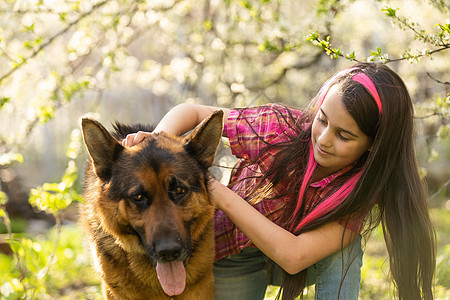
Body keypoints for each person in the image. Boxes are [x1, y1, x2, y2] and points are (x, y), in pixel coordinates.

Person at [122, 63, 436, 300]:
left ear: (373, 145)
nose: (324, 140)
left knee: (345, 249)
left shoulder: (358, 191)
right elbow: (191, 112)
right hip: (232, 256)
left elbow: (295, 257)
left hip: (287, 259)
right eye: (323, 120)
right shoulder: (278, 129)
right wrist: (159, 140)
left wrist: (214, 190)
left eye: (344, 136)